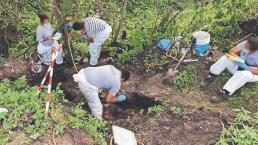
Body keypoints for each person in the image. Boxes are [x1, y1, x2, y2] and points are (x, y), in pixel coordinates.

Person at [201, 37, 258, 102]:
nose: (245, 47)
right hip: (239, 63)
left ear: (254, 50)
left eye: (248, 48)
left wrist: (247, 68)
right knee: (225, 58)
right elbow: (232, 51)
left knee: (244, 74)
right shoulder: (246, 43)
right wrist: (237, 58)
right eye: (246, 45)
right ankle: (211, 76)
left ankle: (225, 92)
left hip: (252, 72)